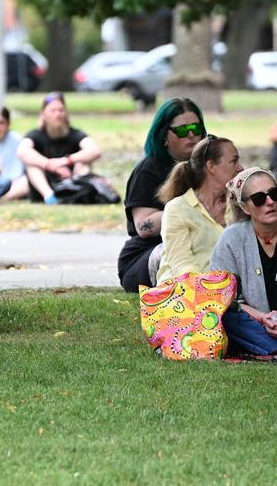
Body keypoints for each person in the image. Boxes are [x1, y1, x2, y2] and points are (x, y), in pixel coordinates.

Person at [117, 98, 206, 292]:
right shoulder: (149, 169)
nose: (191, 134)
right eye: (182, 130)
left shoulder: (208, 167)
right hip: (146, 256)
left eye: (196, 128)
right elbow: (143, 226)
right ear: (164, 136)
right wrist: (194, 206)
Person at [154, 135, 242, 283]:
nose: (240, 167)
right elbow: (182, 264)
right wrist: (209, 289)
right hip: (185, 294)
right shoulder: (177, 209)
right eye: (234, 161)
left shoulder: (239, 205)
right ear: (211, 166)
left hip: (226, 292)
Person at [210, 168, 277, 355]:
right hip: (255, 323)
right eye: (259, 199)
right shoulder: (231, 239)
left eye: (274, 194)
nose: (270, 202)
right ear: (245, 207)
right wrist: (264, 318)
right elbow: (223, 298)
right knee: (225, 316)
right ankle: (269, 347)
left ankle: (265, 349)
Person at [17, 92, 102, 205]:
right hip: (44, 185)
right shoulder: (36, 134)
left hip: (70, 181)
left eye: (61, 110)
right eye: (53, 110)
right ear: (43, 114)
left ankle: (78, 194)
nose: (57, 114)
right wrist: (51, 165)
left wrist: (66, 160)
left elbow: (95, 150)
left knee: (84, 162)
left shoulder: (75, 134)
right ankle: (50, 197)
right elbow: (22, 151)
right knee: (31, 165)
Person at [0, 106, 28, 201]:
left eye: (1, 123)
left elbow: (20, 172)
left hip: (11, 185)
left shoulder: (17, 140)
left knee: (27, 181)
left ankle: (2, 199)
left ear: (8, 124)